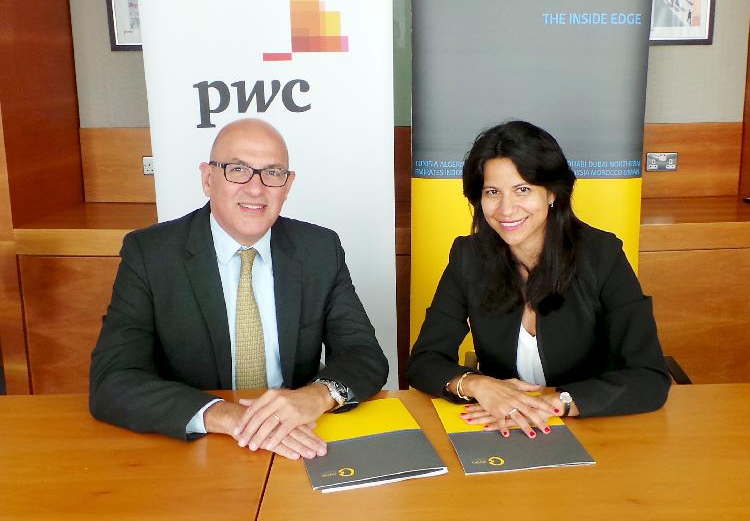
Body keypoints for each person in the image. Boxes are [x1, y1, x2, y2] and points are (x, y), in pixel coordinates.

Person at [90, 118, 388, 459]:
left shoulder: (319, 249)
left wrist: (316, 396)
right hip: (201, 443)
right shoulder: (151, 253)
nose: (256, 189)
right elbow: (112, 380)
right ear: (208, 179)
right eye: (238, 170)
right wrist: (228, 416)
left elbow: (364, 354)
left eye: (272, 173)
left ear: (287, 185)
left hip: (298, 436)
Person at [408, 121, 670, 439]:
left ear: (552, 193)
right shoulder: (469, 257)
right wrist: (476, 384)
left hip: (594, 428)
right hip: (504, 428)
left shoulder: (602, 255)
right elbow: (424, 360)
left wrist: (557, 402)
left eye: (523, 189)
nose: (506, 209)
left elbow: (650, 377)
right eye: (492, 192)